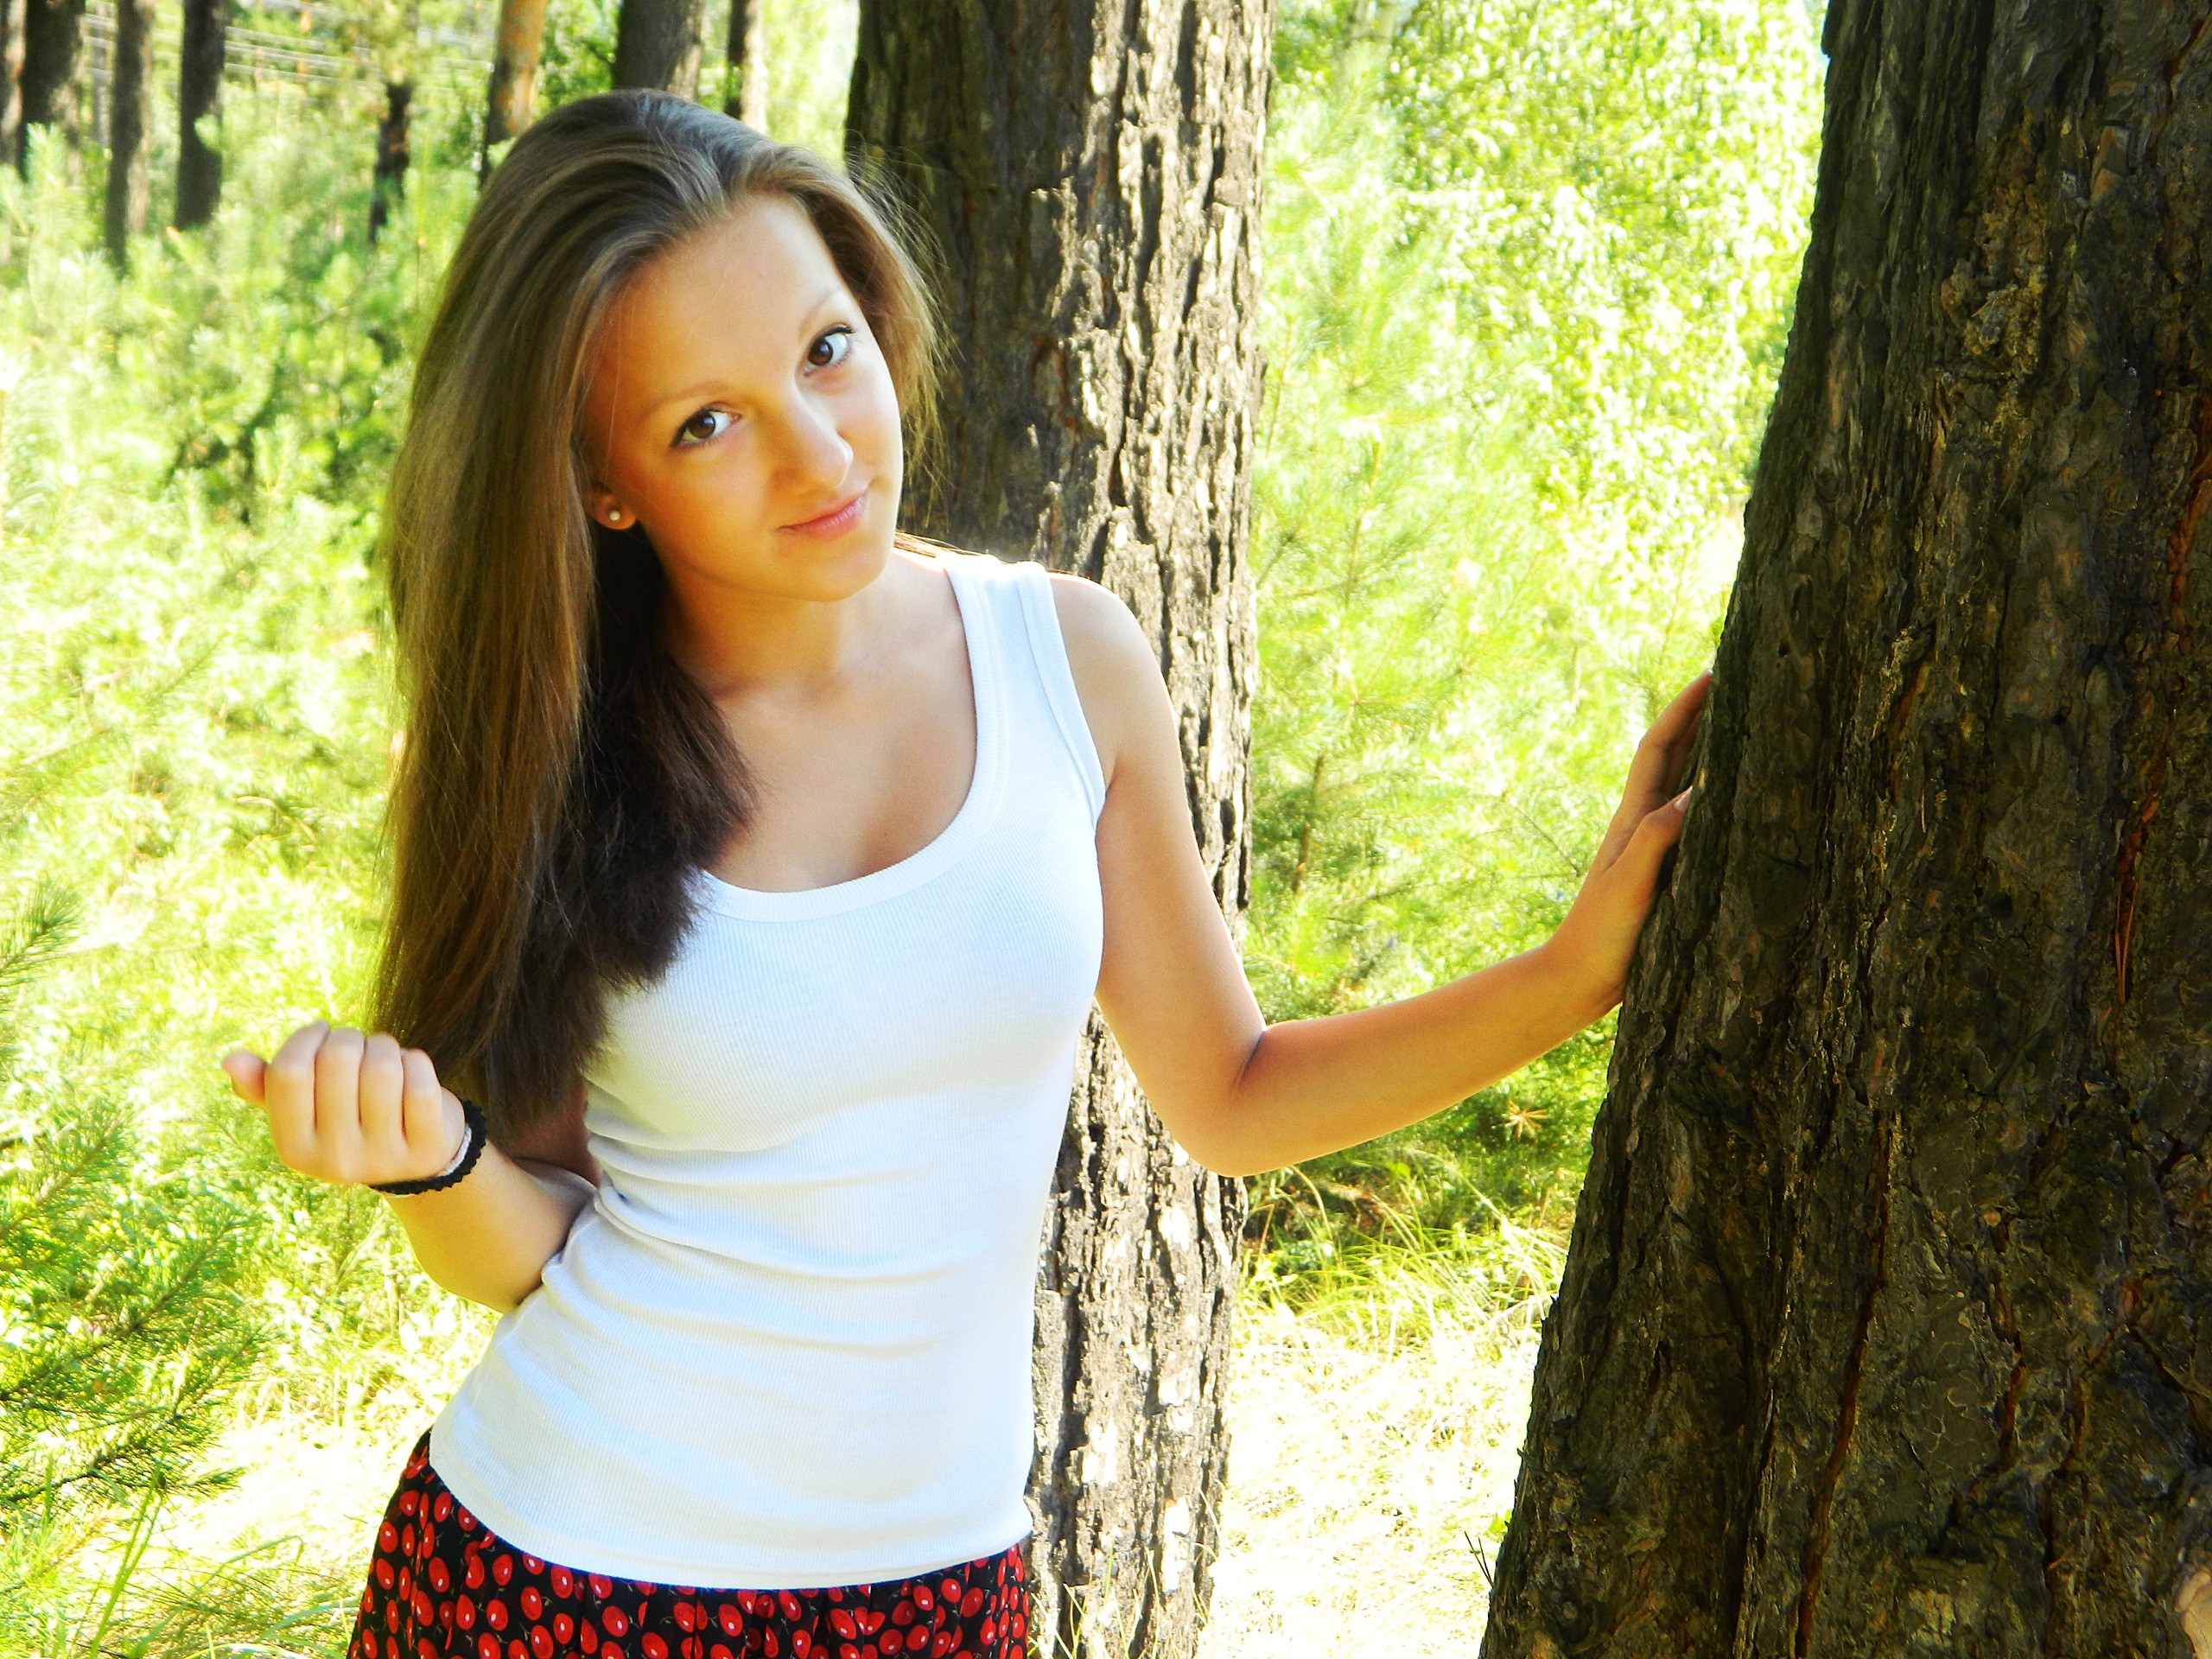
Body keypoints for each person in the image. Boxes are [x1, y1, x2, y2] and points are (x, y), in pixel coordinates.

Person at [221, 90, 1708, 1659]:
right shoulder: (554, 751)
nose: (820, 452)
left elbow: (1235, 1096)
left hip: (940, 1590)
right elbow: (538, 1242)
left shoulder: (1067, 661)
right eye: (706, 424)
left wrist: (1571, 978)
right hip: (567, 1576)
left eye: (825, 350)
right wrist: (430, 1163)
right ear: (605, 483)